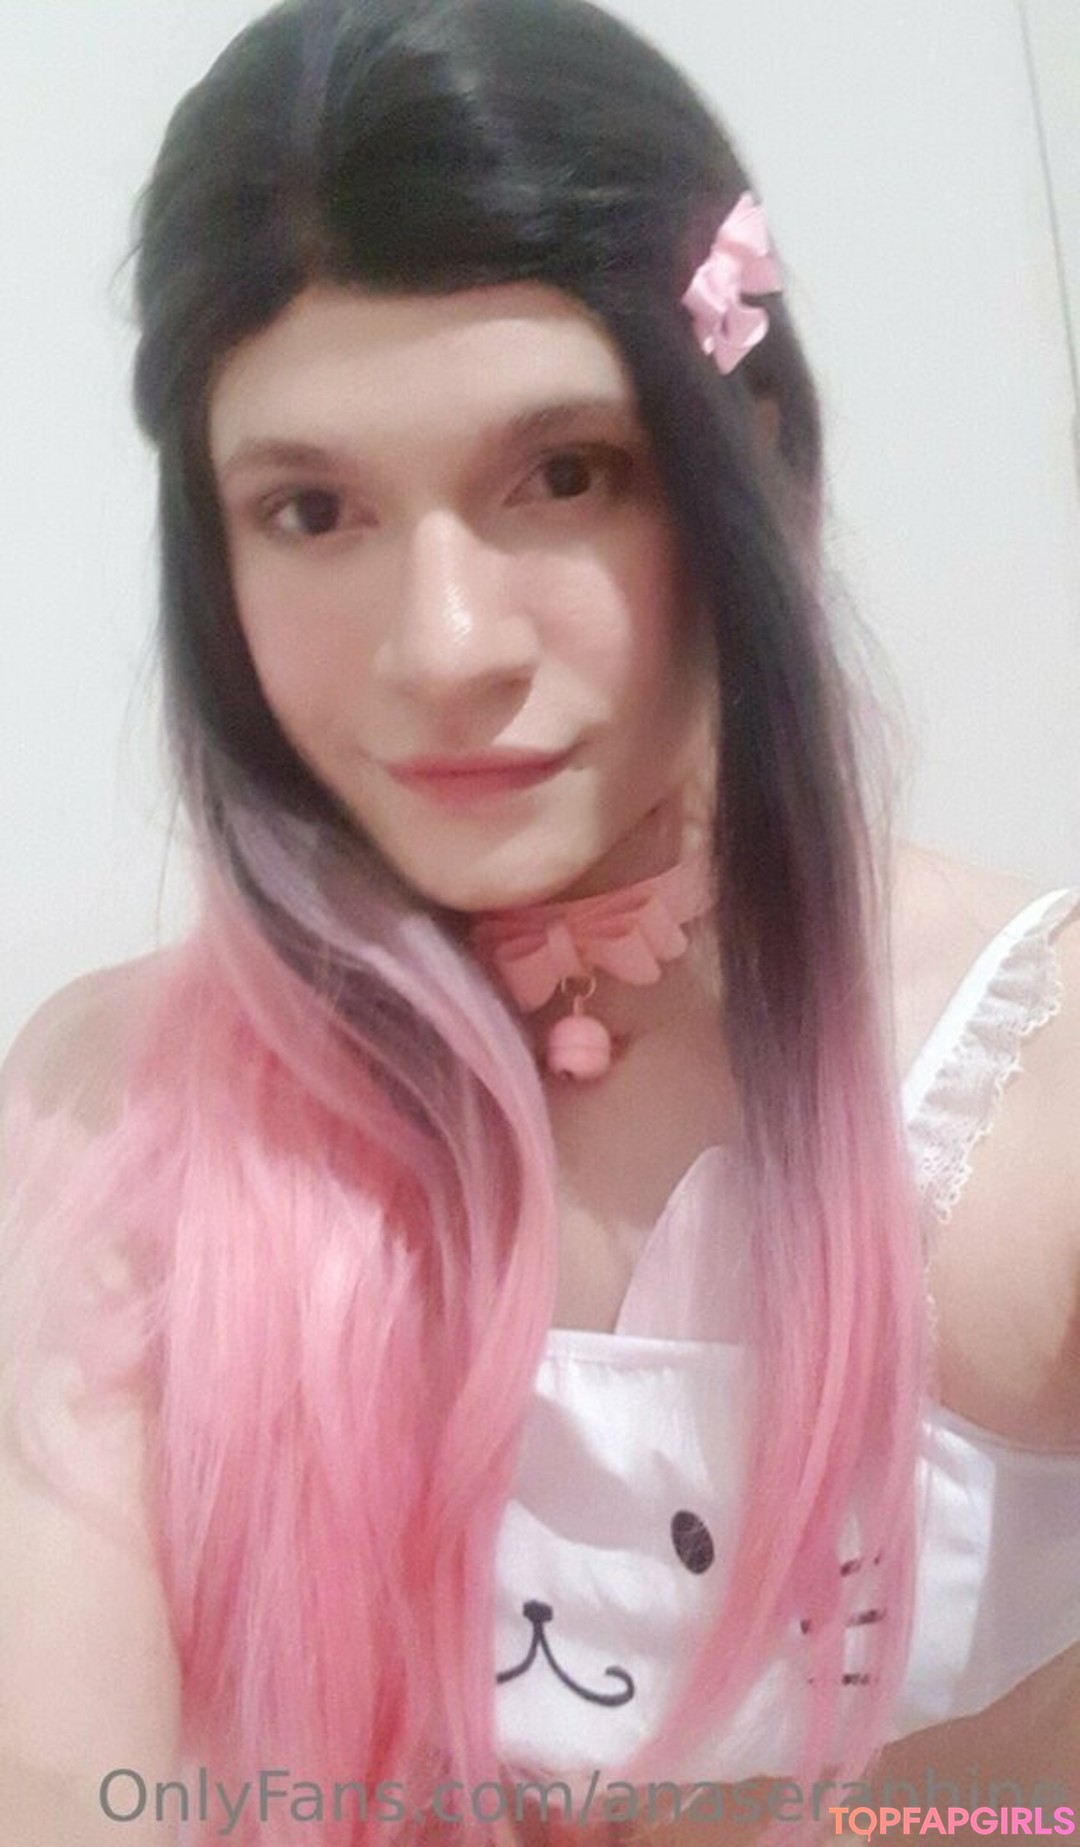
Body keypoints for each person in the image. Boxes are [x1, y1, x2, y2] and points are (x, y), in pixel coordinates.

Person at [1, 1, 1078, 1843]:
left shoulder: (1031, 1105)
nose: (443, 647)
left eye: (562, 474)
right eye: (312, 508)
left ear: (752, 458)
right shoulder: (118, 1098)